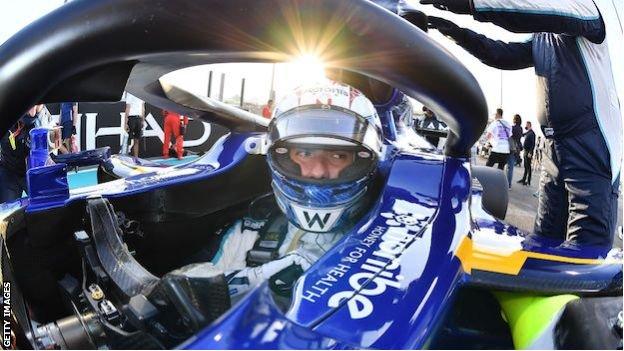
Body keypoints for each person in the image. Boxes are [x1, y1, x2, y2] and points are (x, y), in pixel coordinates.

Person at [412, 0, 621, 248]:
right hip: (555, 147)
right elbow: (501, 54)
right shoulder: (542, 36)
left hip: (591, 146)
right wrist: (455, 31)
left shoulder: (586, 9)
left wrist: (469, 4)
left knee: (586, 250)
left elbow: (528, 13)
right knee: (542, 239)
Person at [204, 82, 382, 302]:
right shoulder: (248, 232)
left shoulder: (386, 243)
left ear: (363, 161)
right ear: (284, 157)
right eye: (305, 153)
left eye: (338, 156)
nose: (317, 172)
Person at [0, 107, 39, 203]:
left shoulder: (41, 119)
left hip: (32, 171)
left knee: (44, 206)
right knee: (7, 211)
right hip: (9, 171)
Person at [122, 91, 145, 158]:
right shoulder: (141, 94)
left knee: (128, 140)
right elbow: (143, 109)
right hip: (138, 119)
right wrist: (143, 120)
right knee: (136, 140)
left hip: (132, 119)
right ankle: (136, 157)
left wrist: (125, 123)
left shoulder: (130, 93)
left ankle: (126, 158)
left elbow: (128, 108)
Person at [505, 114, 522, 187]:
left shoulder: (512, 128)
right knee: (511, 167)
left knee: (508, 167)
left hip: (510, 149)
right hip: (516, 149)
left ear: (514, 120)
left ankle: (507, 183)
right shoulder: (520, 129)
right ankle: (509, 184)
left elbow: (507, 136)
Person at [518, 121, 535, 186]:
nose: (526, 126)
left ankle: (528, 181)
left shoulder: (532, 133)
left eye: (527, 125)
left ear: (529, 125)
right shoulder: (528, 132)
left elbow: (533, 144)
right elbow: (522, 134)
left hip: (528, 152)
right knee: (525, 166)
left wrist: (530, 152)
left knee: (528, 167)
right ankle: (523, 179)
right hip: (525, 151)